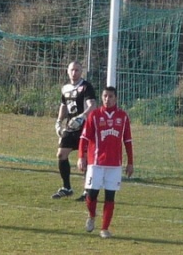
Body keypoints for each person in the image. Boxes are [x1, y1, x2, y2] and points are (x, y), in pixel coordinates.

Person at [76, 86, 134, 239]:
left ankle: (104, 228)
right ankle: (92, 215)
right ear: (102, 98)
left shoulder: (123, 117)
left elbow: (127, 140)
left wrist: (130, 162)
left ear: (116, 98)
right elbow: (84, 138)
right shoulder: (94, 115)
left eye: (111, 96)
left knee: (110, 196)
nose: (107, 99)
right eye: (105, 96)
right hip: (95, 163)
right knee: (92, 194)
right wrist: (81, 156)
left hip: (114, 165)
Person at [52, 61, 96, 200]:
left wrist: (82, 117)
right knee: (61, 154)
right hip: (70, 127)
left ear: (81, 71)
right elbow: (63, 105)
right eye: (72, 70)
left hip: (84, 127)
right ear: (67, 71)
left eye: (77, 70)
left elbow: (92, 105)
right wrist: (59, 121)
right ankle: (67, 187)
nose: (74, 72)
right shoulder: (65, 88)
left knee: (85, 159)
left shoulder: (86, 87)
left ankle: (87, 191)